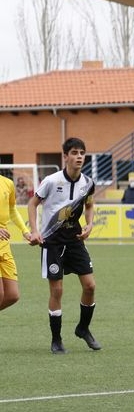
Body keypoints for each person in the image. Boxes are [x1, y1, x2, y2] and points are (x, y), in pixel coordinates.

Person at [27, 137, 102, 354]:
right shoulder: (51, 181)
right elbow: (32, 204)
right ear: (66, 156)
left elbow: (89, 205)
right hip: (51, 242)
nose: (79, 157)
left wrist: (90, 224)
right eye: (75, 153)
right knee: (57, 290)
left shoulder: (88, 183)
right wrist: (35, 230)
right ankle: (56, 339)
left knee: (90, 286)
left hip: (74, 240)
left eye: (82, 153)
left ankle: (83, 328)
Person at [1, 175, 34, 314]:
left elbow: (12, 209)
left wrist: (26, 232)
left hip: (4, 245)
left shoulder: (7, 183)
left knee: (12, 295)